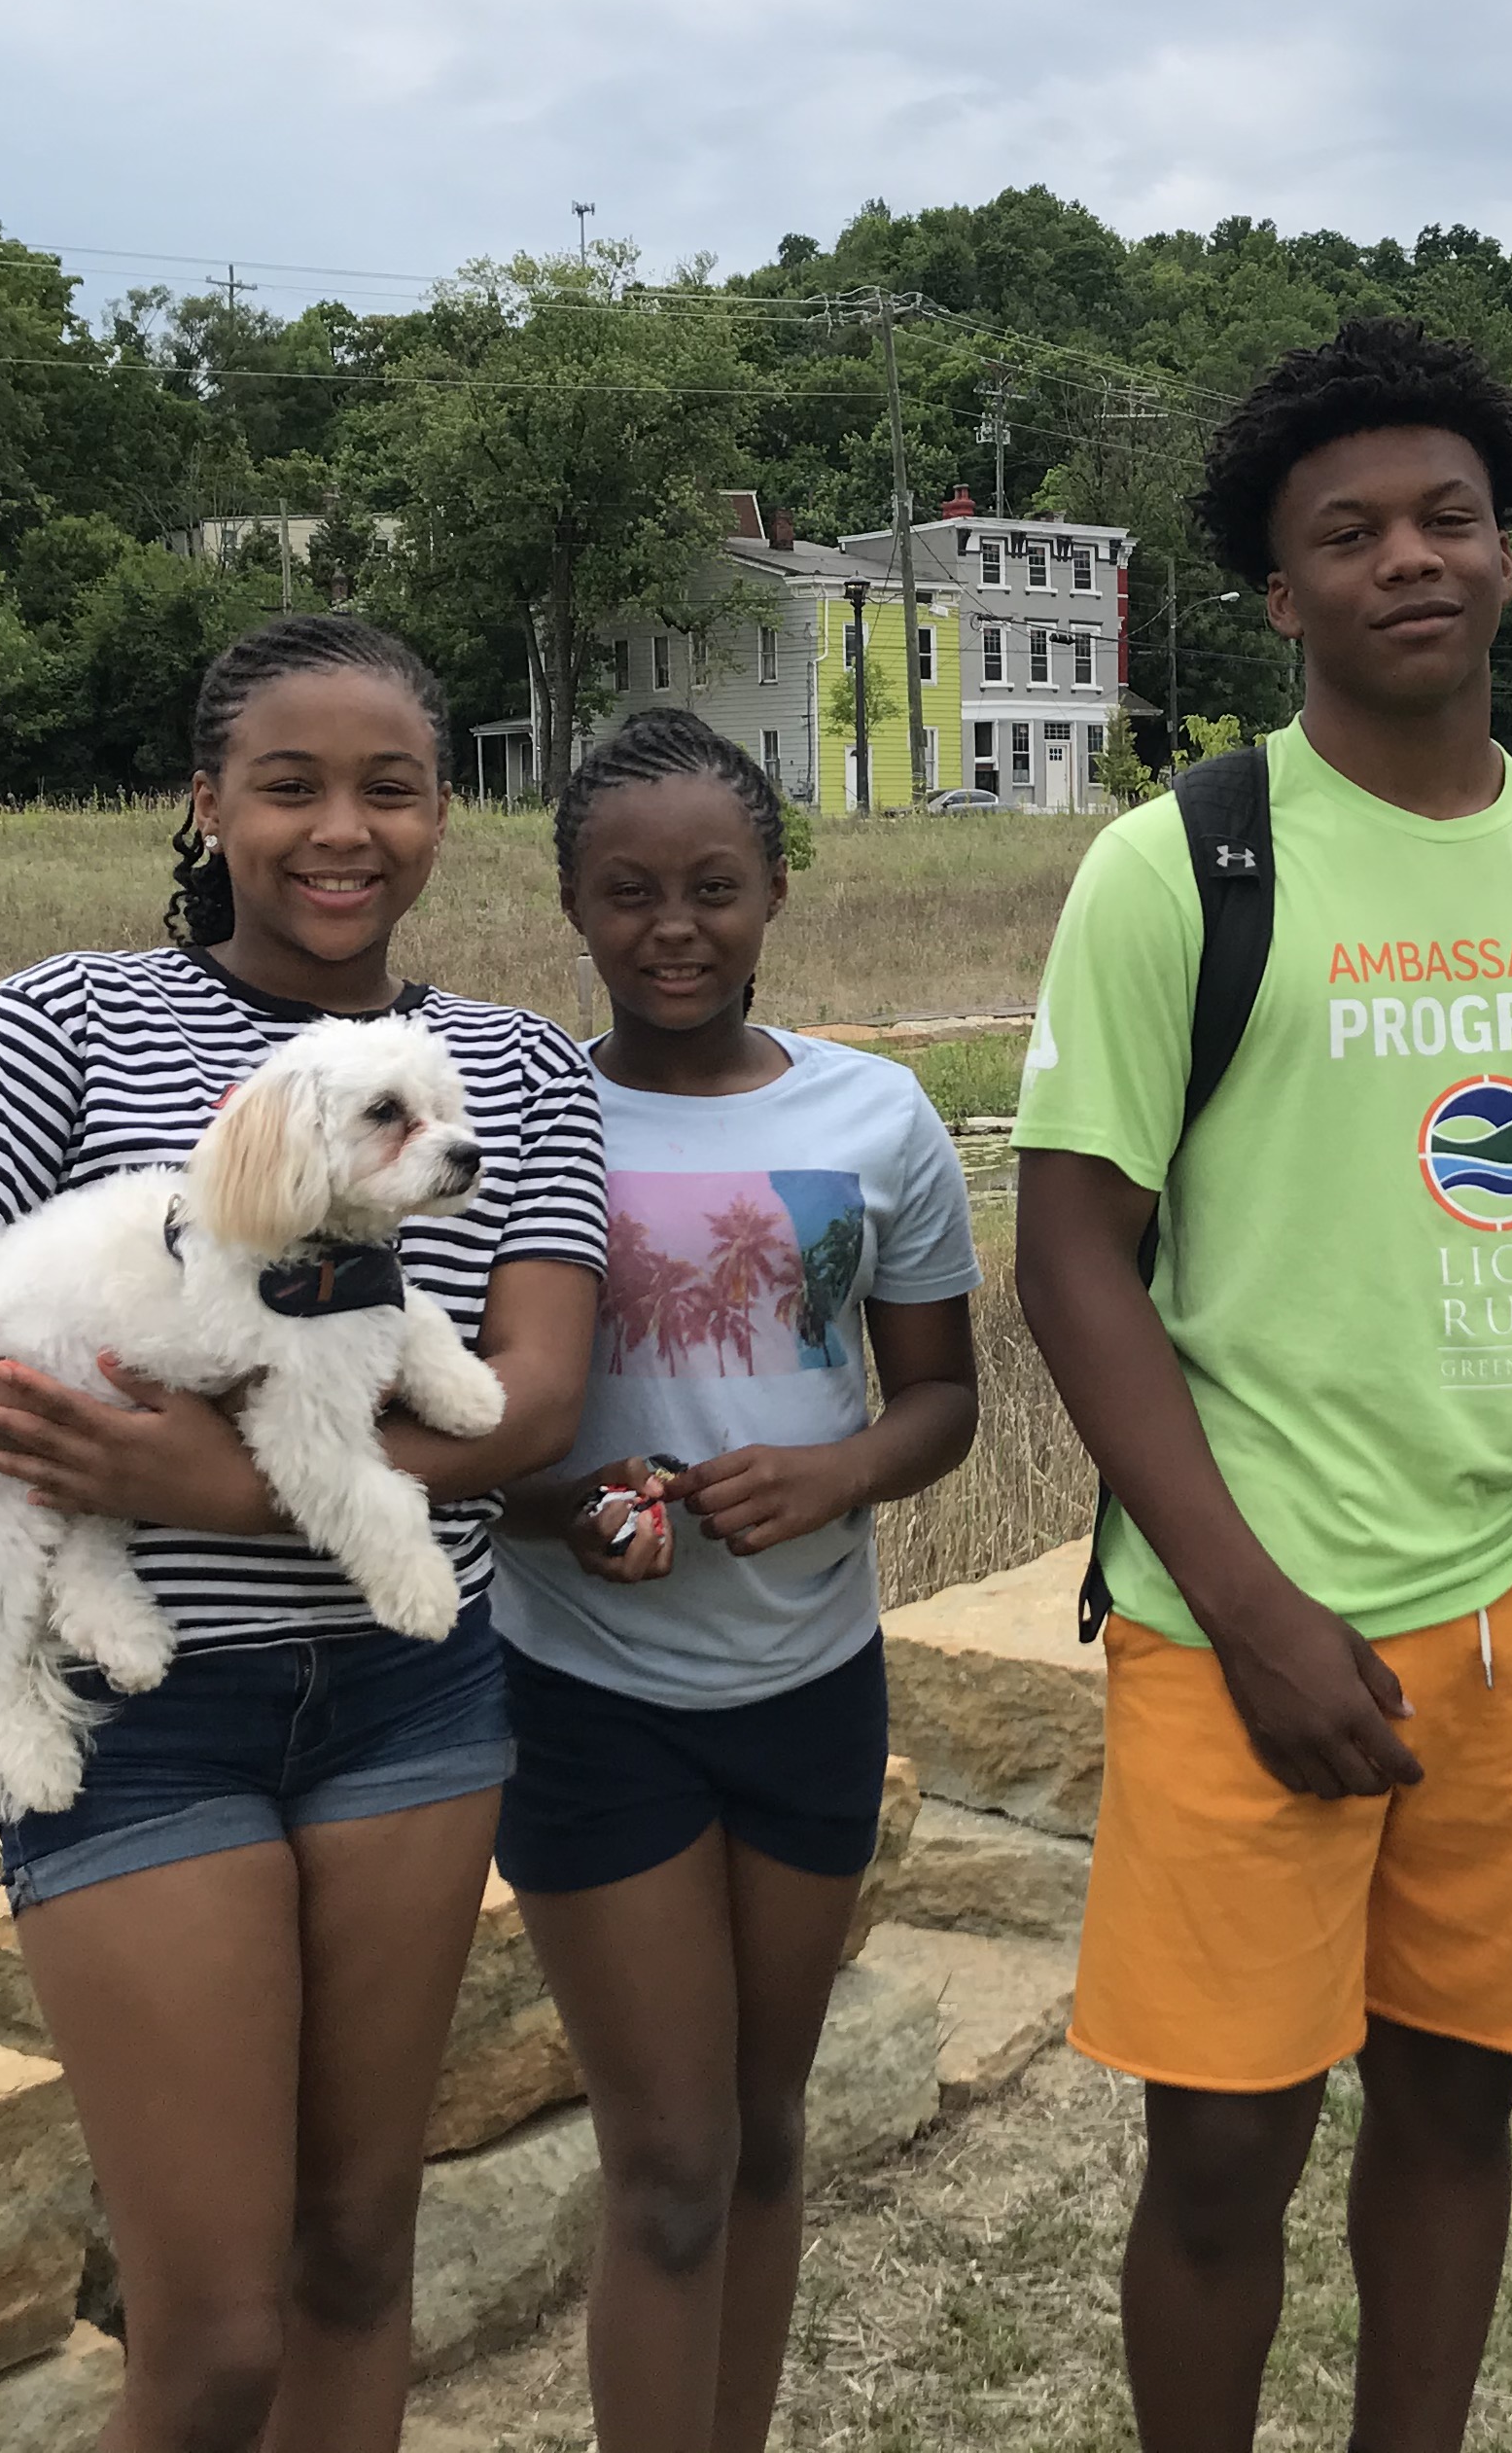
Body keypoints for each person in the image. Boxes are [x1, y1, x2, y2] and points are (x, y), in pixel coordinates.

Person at [1012, 315, 1512, 2453]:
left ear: (1508, 552)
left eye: (1448, 516)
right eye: (1348, 533)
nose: (1407, 557)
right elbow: (1070, 1256)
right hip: (1241, 1608)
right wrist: (1252, 1608)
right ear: (1282, 594)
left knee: (1455, 2104)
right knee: (1222, 2147)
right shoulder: (1183, 863)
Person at [0, 616, 610, 2453]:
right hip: (146, 1718)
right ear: (207, 804)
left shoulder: (512, 1068)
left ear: (442, 813)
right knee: (218, 2329)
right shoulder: (66, 1020)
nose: (345, 829)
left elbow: (537, 1400)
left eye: (392, 787)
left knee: (356, 2256)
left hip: (410, 1699)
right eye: (290, 784)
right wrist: (82, 1452)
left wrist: (213, 1487)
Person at [494, 708, 982, 2453]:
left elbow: (940, 1397)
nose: (673, 927)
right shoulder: (519, 1118)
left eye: (712, 885)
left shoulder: (879, 1113)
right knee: (672, 2159)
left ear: (777, 886)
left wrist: (836, 1469)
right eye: (627, 892)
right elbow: (448, 1435)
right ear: (571, 902)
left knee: (767, 2131)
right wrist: (565, 1509)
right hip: (587, 1698)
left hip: (809, 1685)